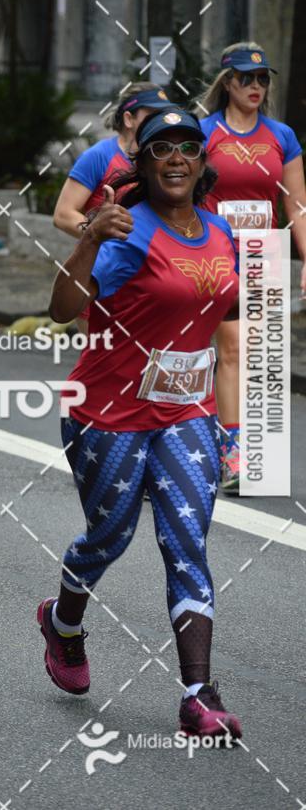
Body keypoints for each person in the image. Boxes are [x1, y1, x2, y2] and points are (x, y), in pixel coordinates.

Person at [38, 109, 242, 739]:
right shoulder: (127, 232)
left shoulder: (219, 230)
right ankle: (62, 621)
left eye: (188, 147)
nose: (176, 157)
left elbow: (224, 308)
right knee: (110, 537)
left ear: (202, 162)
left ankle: (198, 695)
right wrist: (90, 237)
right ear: (145, 163)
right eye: (162, 149)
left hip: (186, 415)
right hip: (109, 415)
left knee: (187, 543)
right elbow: (61, 308)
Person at [199, 43, 306, 493]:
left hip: (265, 251)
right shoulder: (203, 133)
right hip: (216, 252)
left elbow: (297, 205)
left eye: (263, 79)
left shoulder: (281, 136)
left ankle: (251, 454)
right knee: (233, 351)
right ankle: (232, 451)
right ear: (228, 82)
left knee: (260, 359)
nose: (256, 86)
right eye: (246, 78)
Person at [53, 84, 178, 333]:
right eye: (151, 114)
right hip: (103, 276)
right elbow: (63, 215)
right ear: (129, 118)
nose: (160, 121)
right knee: (103, 362)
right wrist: (101, 234)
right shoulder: (99, 156)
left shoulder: (163, 162)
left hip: (151, 279)